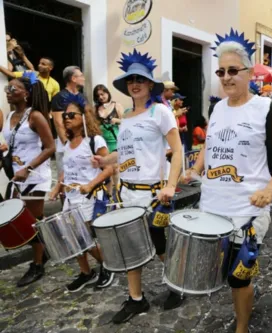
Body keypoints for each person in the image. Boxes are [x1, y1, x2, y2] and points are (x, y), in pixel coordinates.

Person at [185, 28, 272, 333]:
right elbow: (208, 145)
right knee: (221, 269)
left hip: (247, 209)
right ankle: (246, 294)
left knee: (238, 276)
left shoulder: (265, 109)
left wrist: (270, 190)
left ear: (249, 73)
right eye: (221, 71)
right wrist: (194, 170)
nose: (226, 77)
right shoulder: (216, 107)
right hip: (212, 206)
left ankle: (242, 327)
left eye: (233, 70)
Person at [91, 49, 183, 323]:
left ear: (150, 85)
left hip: (154, 194)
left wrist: (171, 184)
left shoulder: (161, 112)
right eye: (130, 79)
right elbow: (126, 151)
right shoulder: (128, 115)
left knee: (160, 245)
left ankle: (177, 285)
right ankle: (136, 299)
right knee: (130, 245)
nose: (135, 83)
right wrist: (105, 159)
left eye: (140, 79)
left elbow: (177, 151)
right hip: (127, 192)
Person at [49, 96, 115, 291]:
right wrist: (57, 188)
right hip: (70, 197)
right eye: (65, 116)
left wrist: (90, 185)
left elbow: (109, 168)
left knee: (84, 237)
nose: (67, 118)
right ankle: (86, 272)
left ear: (84, 117)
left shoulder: (94, 140)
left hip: (88, 196)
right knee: (73, 238)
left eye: (71, 115)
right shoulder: (68, 143)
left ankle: (107, 265)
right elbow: (66, 170)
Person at [1, 73, 55, 287]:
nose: (8, 93)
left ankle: (38, 264)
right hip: (17, 176)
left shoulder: (36, 116)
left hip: (35, 176)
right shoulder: (8, 116)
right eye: (7, 89)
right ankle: (45, 251)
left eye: (13, 89)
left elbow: (50, 147)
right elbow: (13, 145)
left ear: (26, 94)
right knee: (33, 221)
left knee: (30, 222)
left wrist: (28, 167)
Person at [51, 66, 86, 198]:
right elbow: (59, 122)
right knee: (65, 178)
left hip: (83, 142)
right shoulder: (59, 97)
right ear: (73, 78)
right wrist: (67, 144)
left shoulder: (83, 97)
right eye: (81, 75)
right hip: (65, 144)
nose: (83, 78)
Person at [93, 84, 124, 152]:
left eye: (102, 94)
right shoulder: (95, 108)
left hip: (115, 141)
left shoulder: (116, 105)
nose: (100, 97)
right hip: (101, 143)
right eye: (98, 96)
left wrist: (116, 120)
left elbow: (126, 121)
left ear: (107, 92)